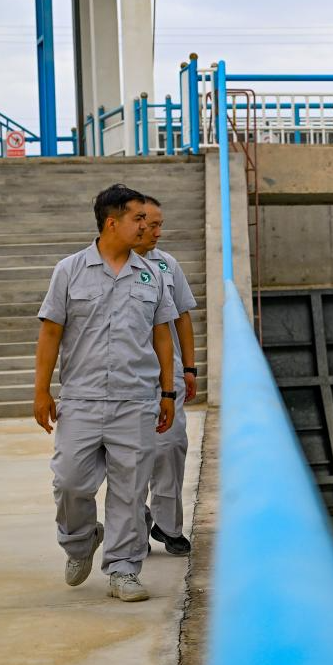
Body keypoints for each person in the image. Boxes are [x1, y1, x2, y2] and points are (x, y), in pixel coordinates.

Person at [34, 184, 178, 602]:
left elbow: (162, 336)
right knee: (69, 482)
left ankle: (123, 569)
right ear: (111, 222)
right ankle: (80, 541)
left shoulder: (152, 273)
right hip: (81, 398)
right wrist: (41, 391)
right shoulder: (70, 270)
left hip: (136, 399)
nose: (145, 226)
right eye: (137, 218)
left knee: (129, 491)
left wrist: (167, 392)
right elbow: (50, 332)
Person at [133, 195, 198, 556]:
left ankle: (168, 525)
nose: (159, 232)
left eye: (160, 224)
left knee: (171, 447)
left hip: (166, 374)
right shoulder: (110, 266)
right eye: (152, 224)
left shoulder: (166, 264)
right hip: (129, 376)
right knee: (131, 454)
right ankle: (136, 523)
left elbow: (182, 318)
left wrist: (189, 368)